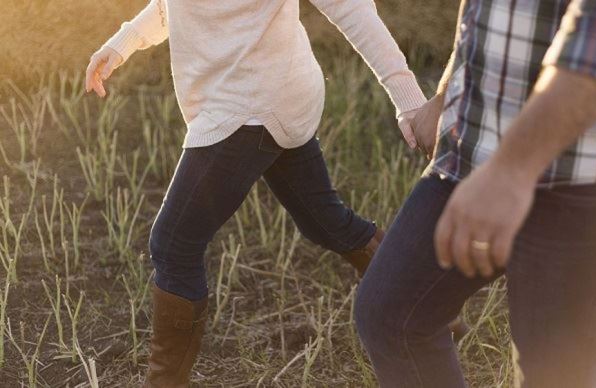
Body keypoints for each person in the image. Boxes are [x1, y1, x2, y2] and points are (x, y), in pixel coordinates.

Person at [85, 1, 428, 386]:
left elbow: (350, 7)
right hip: (272, 92)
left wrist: (409, 99)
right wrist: (123, 42)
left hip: (249, 105)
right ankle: (429, 311)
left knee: (173, 244)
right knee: (325, 223)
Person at [355, 0, 596, 386]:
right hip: (478, 148)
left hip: (589, 176)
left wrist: (511, 171)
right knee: (392, 315)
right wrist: (449, 90)